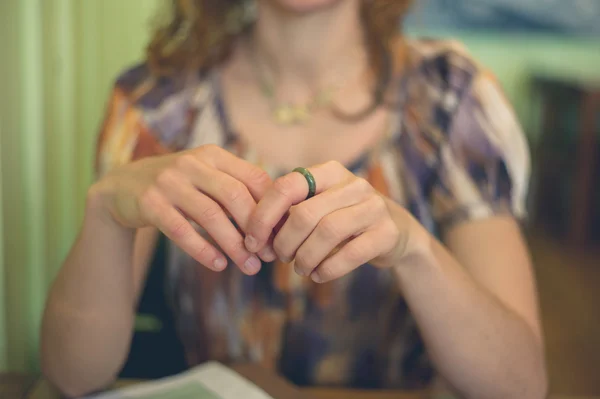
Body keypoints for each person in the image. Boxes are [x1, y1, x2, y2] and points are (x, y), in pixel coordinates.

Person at [40, 0, 547, 397]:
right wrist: (105, 211)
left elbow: (519, 385)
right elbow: (72, 375)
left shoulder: (451, 94)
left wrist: (412, 247)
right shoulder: (154, 101)